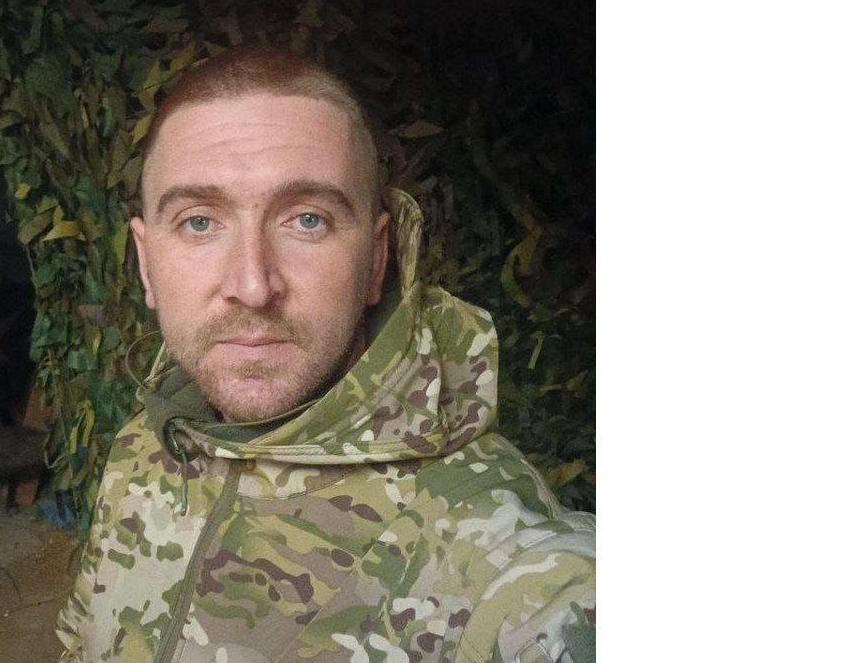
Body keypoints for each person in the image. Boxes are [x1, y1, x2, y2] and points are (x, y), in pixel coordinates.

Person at [55, 45, 595, 663]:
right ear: (146, 264)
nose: (253, 286)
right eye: (199, 222)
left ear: (377, 259)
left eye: (307, 220)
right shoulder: (147, 443)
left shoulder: (493, 553)